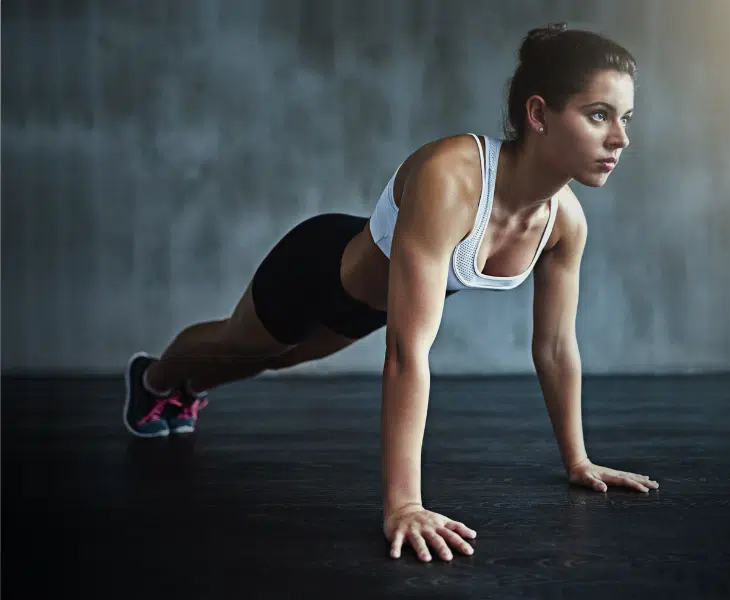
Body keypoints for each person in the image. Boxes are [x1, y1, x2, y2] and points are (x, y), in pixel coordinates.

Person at [122, 22, 660, 562]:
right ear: (539, 114)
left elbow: (556, 348)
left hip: (365, 309)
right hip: (315, 269)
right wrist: (404, 505)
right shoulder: (450, 177)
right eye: (599, 115)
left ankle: (184, 390)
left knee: (273, 359)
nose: (620, 139)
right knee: (241, 343)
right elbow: (409, 351)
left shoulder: (564, 223)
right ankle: (154, 378)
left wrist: (578, 461)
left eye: (625, 119)